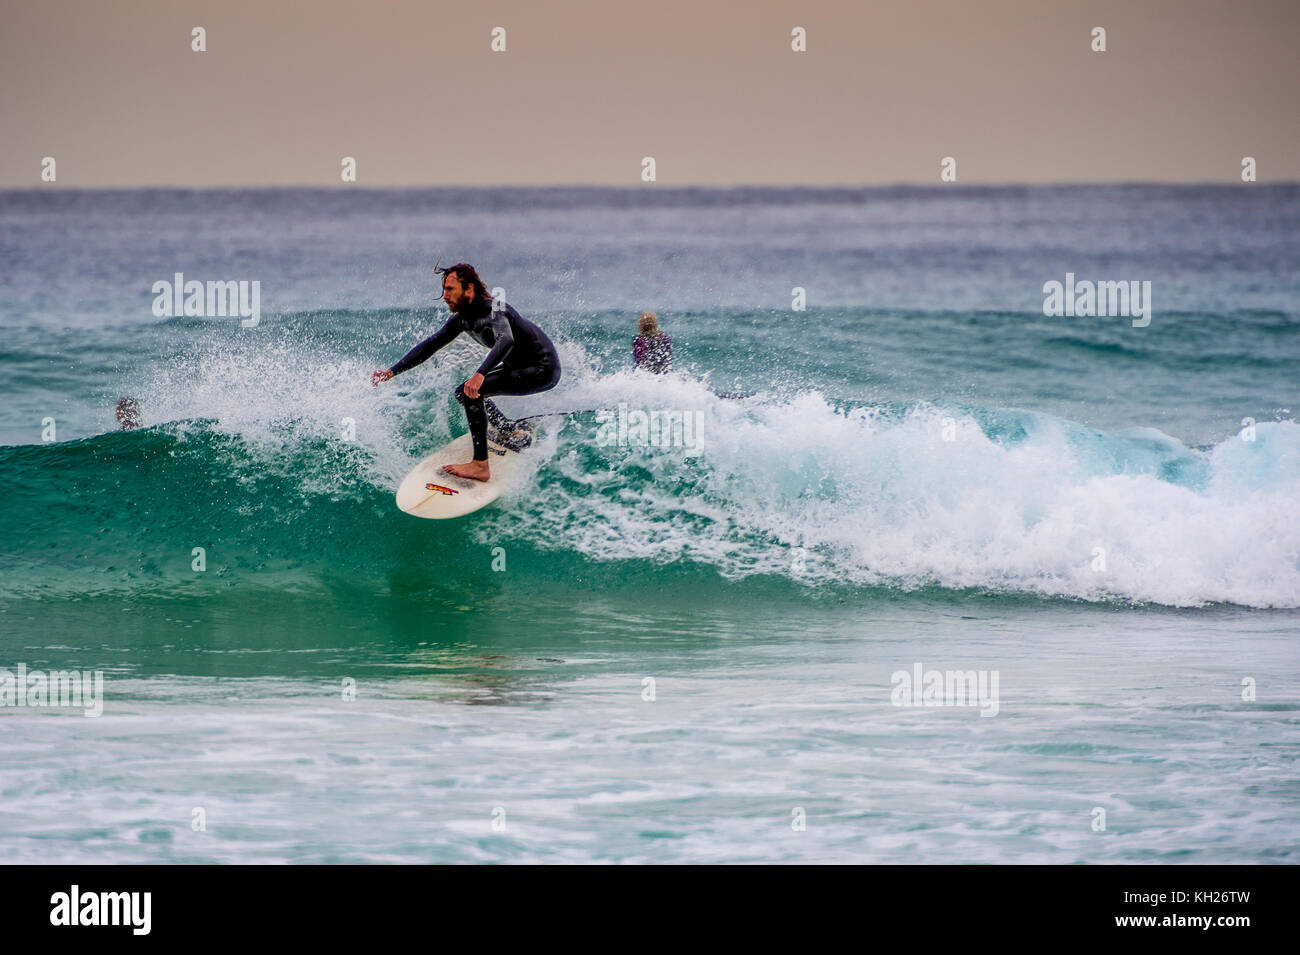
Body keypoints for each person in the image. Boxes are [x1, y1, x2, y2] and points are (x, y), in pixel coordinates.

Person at [371, 263, 561, 482]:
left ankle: (480, 466)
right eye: (444, 289)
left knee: (471, 390)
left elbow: (506, 339)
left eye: (450, 289)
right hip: (519, 366)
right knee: (466, 392)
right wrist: (392, 371)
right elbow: (430, 345)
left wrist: (480, 373)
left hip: (542, 368)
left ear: (469, 289)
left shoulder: (495, 310)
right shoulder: (463, 318)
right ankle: (509, 431)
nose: (445, 296)